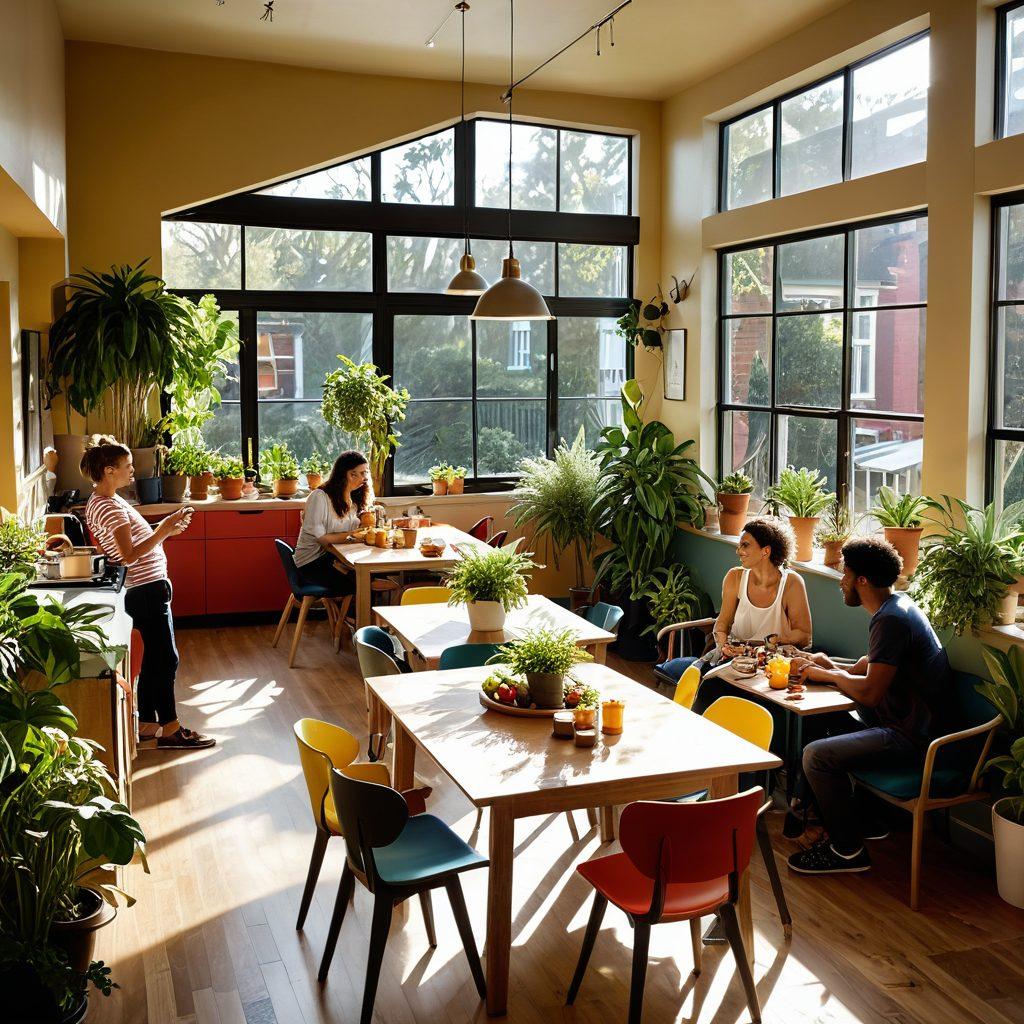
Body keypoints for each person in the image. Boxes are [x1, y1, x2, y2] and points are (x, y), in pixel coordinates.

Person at [786, 535, 952, 876]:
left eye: (845, 574)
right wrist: (828, 667)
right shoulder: (896, 606)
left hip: (911, 738)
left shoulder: (890, 620)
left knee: (816, 756)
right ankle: (865, 820)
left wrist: (825, 674)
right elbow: (867, 670)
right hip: (897, 724)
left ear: (862, 580)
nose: (841, 582)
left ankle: (847, 849)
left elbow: (870, 694)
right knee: (818, 725)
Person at [82, 436, 214, 750]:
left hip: (145, 589)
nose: (133, 472)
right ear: (108, 469)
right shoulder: (109, 506)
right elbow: (127, 555)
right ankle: (170, 729)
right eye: (127, 467)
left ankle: (147, 725)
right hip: (145, 590)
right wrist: (164, 530)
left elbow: (131, 545)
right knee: (166, 659)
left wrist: (164, 526)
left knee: (157, 659)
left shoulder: (107, 501)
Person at [656, 517, 813, 718]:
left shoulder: (791, 583)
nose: (738, 551)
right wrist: (723, 644)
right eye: (739, 545)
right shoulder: (735, 577)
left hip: (770, 663)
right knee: (707, 687)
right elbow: (722, 623)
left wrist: (768, 642)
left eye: (745, 545)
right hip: (734, 658)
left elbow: (804, 635)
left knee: (723, 694)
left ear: (766, 551)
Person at [292, 449, 373, 593]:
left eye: (366, 473)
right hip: (311, 563)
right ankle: (354, 616)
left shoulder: (352, 500)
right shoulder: (319, 497)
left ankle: (353, 615)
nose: (365, 478)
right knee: (362, 583)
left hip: (332, 558)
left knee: (370, 577)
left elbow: (346, 534)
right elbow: (323, 539)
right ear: (349, 474)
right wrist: (354, 534)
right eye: (362, 473)